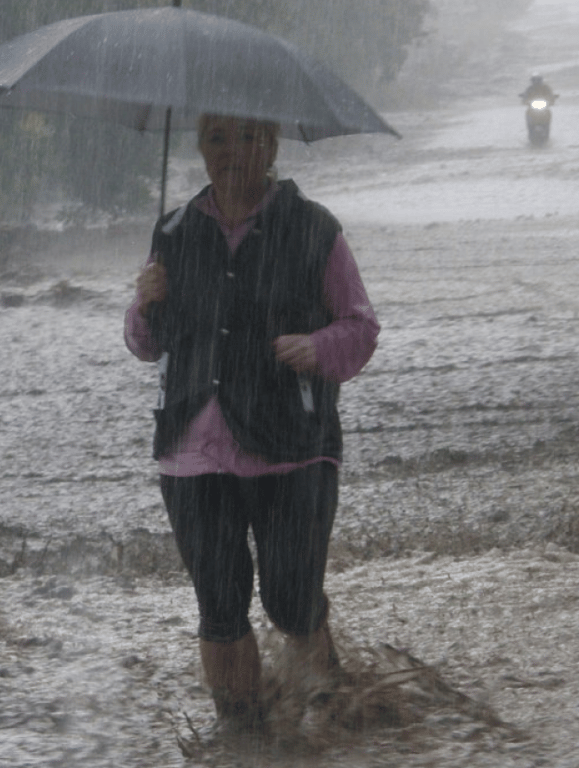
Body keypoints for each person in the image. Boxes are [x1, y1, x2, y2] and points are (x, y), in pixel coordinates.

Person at [124, 113, 379, 736]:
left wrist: (319, 347)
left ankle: (330, 711)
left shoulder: (314, 229)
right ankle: (243, 739)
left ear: (271, 144)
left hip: (291, 443)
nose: (232, 152)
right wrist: (144, 301)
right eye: (216, 138)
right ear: (199, 147)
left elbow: (360, 326)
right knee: (219, 602)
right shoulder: (176, 230)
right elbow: (145, 344)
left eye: (247, 137)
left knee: (291, 599)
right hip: (192, 447)